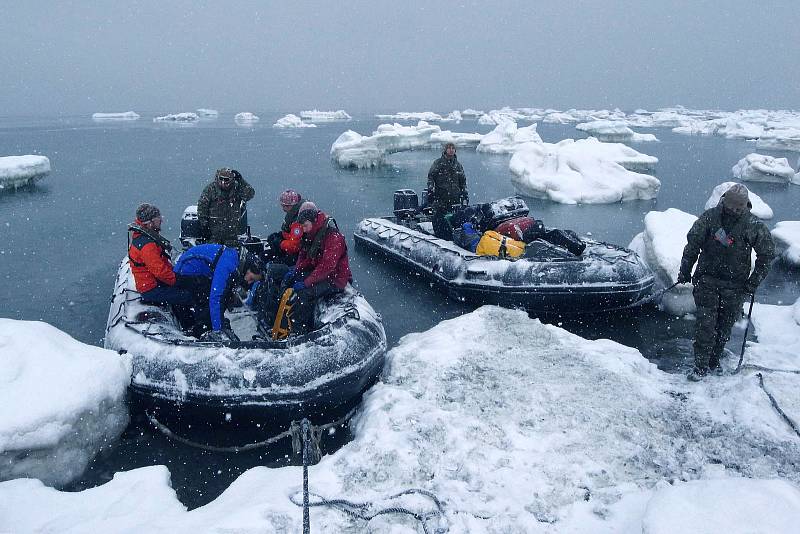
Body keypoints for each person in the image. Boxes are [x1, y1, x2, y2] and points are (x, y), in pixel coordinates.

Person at [677, 183, 775, 381]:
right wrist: (685, 271)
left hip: (736, 288)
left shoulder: (753, 226)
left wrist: (752, 283)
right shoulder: (709, 218)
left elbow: (767, 255)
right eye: (730, 206)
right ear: (723, 201)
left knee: (724, 328)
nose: (734, 211)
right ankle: (701, 367)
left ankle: (714, 362)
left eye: (738, 208)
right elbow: (692, 245)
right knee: (706, 326)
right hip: (707, 282)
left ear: (745, 205)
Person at [282, 206, 352, 335]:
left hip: (335, 279)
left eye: (305, 225)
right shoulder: (312, 233)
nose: (303, 229)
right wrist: (296, 270)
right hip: (321, 274)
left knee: (305, 294)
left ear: (313, 221)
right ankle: (284, 322)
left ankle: (299, 331)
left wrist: (307, 282)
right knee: (293, 280)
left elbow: (327, 266)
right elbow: (306, 255)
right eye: (302, 226)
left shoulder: (333, 237)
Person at [128, 203, 195, 330]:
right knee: (187, 296)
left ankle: (188, 325)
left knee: (182, 293)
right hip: (151, 290)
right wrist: (179, 281)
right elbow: (160, 271)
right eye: (158, 219)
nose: (161, 221)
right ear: (149, 223)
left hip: (150, 285)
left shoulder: (143, 238)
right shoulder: (148, 245)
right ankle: (192, 328)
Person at [173, 243, 255, 341]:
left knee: (221, 296)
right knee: (211, 299)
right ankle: (203, 329)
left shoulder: (233, 258)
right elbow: (216, 296)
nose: (248, 282)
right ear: (247, 269)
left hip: (194, 272)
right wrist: (218, 331)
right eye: (251, 278)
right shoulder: (228, 265)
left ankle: (209, 324)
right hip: (186, 273)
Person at [197, 168, 255, 246]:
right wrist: (204, 226)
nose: (223, 182)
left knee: (230, 255)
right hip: (213, 235)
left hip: (232, 236)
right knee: (212, 255)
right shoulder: (210, 189)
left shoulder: (237, 188)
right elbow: (202, 207)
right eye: (221, 179)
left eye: (226, 179)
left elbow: (250, 194)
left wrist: (241, 181)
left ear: (232, 180)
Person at [426, 142, 468, 240]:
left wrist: (464, 192)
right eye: (449, 148)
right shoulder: (438, 163)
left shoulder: (458, 165)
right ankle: (440, 238)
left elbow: (463, 181)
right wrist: (430, 190)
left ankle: (453, 238)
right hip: (441, 198)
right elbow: (431, 177)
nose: (451, 150)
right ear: (445, 150)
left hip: (455, 199)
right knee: (439, 220)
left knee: (454, 219)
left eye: (453, 148)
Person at [264, 190, 306, 265]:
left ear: (292, 205)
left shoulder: (298, 222)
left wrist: (280, 243)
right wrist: (281, 235)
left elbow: (295, 246)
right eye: (282, 205)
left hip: (298, 256)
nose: (283, 208)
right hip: (294, 251)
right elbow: (292, 235)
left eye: (285, 206)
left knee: (274, 263)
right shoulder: (293, 214)